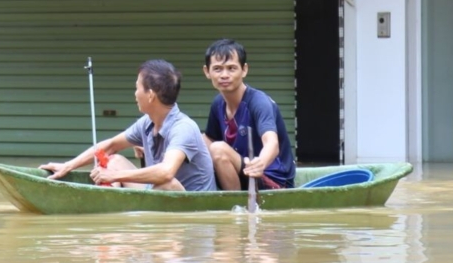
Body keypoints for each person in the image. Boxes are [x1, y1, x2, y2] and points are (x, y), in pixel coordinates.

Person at [40, 60, 217, 192]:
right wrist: (68, 166)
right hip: (156, 193)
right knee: (113, 160)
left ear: (150, 96)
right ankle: (112, 208)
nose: (135, 94)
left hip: (187, 206)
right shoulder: (147, 122)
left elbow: (165, 173)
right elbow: (110, 146)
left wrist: (114, 176)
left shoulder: (183, 127)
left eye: (137, 88)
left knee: (166, 184)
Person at [201, 39, 296, 190]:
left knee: (218, 149)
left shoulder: (259, 102)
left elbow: (272, 143)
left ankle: (235, 208)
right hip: (242, 173)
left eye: (231, 68)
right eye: (218, 69)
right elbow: (208, 139)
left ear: (244, 70)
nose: (224, 75)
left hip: (271, 179)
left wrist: (261, 163)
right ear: (207, 72)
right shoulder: (218, 103)